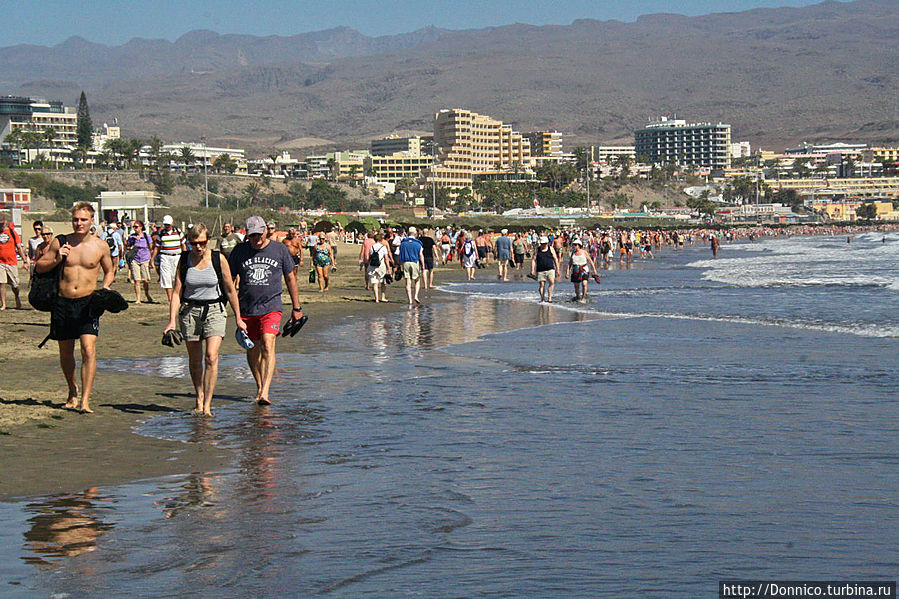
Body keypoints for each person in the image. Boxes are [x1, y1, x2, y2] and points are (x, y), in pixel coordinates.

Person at [34, 202, 115, 413]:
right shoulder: (60, 242)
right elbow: (40, 266)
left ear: (91, 221)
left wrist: (105, 287)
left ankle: (86, 399)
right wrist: (58, 257)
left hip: (88, 303)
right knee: (66, 352)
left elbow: (109, 270)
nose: (79, 223)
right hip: (63, 302)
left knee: (88, 349)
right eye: (76, 219)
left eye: (83, 220)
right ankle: (72, 390)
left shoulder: (100, 246)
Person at [164, 224, 246, 416]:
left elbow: (230, 289)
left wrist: (239, 318)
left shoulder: (219, 259)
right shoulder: (184, 260)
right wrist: (171, 321)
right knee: (194, 361)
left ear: (208, 241)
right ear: (189, 243)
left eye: (201, 243)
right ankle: (199, 396)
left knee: (211, 356)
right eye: (194, 244)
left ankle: (208, 404)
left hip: (215, 310)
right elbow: (177, 292)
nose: (198, 248)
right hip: (190, 311)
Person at [228, 216, 304, 406]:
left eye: (260, 233)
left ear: (265, 231)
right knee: (252, 348)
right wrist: (233, 309)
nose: (257, 238)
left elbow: (290, 279)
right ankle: (259, 385)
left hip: (272, 306)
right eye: (253, 235)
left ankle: (265, 392)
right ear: (247, 234)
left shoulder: (279, 250)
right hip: (247, 308)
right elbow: (229, 281)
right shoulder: (239, 251)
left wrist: (297, 308)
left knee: (268, 343)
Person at [0, 212, 29, 310]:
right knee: (1, 283)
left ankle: (17, 297)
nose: (1, 226)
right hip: (1, 262)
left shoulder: (12, 233)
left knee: (15, 284)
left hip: (11, 262)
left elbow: (19, 247)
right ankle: (3, 304)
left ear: (5, 222)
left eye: (2, 224)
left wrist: (25, 260)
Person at [155, 215, 186, 304]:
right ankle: (170, 299)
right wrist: (152, 258)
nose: (167, 226)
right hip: (165, 256)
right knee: (166, 277)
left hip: (177, 256)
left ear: (172, 223)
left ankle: (178, 296)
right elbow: (157, 247)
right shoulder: (161, 234)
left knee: (176, 277)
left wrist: (184, 256)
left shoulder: (178, 232)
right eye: (165, 224)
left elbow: (183, 244)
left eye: (168, 224)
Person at [126, 220, 155, 304]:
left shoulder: (146, 236)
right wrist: (132, 240)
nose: (135, 229)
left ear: (141, 227)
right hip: (135, 259)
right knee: (137, 280)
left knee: (146, 279)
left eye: (136, 227)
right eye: (133, 227)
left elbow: (151, 248)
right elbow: (128, 246)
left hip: (145, 259)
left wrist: (151, 260)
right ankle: (138, 298)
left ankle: (147, 293)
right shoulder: (132, 237)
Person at [566, 238, 599, 303]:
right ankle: (578, 296)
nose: (574, 246)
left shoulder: (584, 252)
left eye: (575, 245)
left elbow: (590, 261)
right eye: (573, 245)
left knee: (584, 284)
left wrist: (594, 270)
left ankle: (583, 298)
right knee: (576, 286)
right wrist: (567, 272)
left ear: (579, 245)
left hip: (584, 270)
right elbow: (570, 263)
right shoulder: (573, 253)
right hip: (575, 270)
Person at [399, 226, 425, 305]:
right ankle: (416, 296)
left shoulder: (403, 243)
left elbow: (401, 254)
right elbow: (421, 255)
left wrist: (400, 264)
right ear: (415, 234)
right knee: (417, 280)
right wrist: (423, 265)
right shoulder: (418, 243)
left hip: (406, 262)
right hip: (414, 262)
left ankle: (410, 299)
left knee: (408, 282)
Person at [531, 235, 560, 303]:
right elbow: (533, 260)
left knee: (552, 282)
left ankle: (549, 297)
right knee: (542, 284)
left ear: (547, 243)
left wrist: (557, 269)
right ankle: (542, 298)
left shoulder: (551, 249)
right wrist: (532, 269)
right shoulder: (537, 250)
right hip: (540, 269)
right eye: (542, 244)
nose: (543, 245)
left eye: (544, 244)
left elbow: (555, 259)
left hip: (550, 268)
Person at [367, 232, 392, 303]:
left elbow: (369, 257)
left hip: (372, 266)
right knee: (383, 282)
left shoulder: (371, 247)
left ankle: (376, 298)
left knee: (375, 283)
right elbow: (386, 258)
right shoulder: (383, 247)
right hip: (381, 266)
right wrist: (388, 268)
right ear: (381, 239)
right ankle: (383, 297)